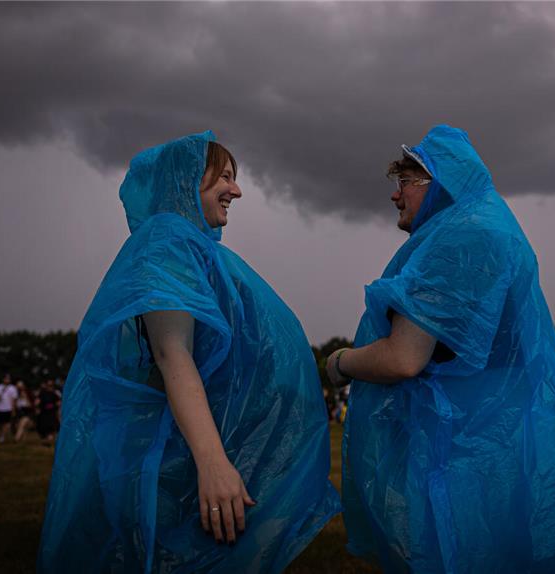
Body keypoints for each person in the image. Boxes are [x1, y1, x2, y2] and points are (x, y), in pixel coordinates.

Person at [326, 126, 555, 572]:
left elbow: (404, 357)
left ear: (440, 184)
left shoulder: (459, 240)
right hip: (511, 444)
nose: (396, 196)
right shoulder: (494, 229)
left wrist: (341, 362)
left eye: (406, 183)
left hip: (468, 452)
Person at [38, 132, 339, 573]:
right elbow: (171, 353)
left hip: (179, 449)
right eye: (225, 177)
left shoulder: (190, 248)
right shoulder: (168, 245)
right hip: (171, 455)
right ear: (187, 180)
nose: (236, 190)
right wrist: (213, 464)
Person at [0, 375, 18, 443]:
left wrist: (13, 410)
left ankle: (2, 437)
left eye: (8, 379)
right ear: (3, 379)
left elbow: (14, 400)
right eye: (6, 379)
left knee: (5, 424)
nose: (7, 380)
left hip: (7, 409)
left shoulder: (13, 388)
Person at [35, 379, 61, 446]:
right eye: (49, 385)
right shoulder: (42, 393)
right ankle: (47, 441)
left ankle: (48, 441)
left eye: (51, 386)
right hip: (44, 414)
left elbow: (59, 403)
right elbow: (37, 402)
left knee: (51, 429)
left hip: (51, 414)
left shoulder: (54, 394)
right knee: (44, 429)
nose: (50, 387)